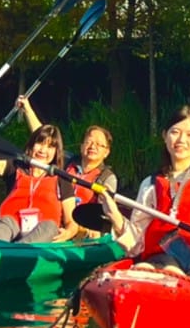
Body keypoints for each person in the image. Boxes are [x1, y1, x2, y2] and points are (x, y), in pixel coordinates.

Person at [98, 104, 190, 277]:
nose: (181, 140)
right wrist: (115, 217)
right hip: (164, 257)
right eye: (175, 132)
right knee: (156, 269)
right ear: (165, 136)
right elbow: (136, 246)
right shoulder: (150, 185)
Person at [0, 104, 79, 242]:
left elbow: (71, 222)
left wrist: (68, 233)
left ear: (56, 152)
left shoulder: (61, 178)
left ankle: (13, 251)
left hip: (44, 234)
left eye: (50, 146)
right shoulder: (15, 168)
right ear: (31, 146)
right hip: (12, 227)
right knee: (6, 221)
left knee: (49, 225)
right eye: (40, 143)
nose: (43, 150)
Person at [16, 95, 119, 238]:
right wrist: (27, 109)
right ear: (82, 145)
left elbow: (105, 211)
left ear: (106, 152)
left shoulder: (107, 178)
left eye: (99, 144)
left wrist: (82, 229)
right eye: (89, 142)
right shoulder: (67, 161)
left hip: (84, 228)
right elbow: (44, 137)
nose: (92, 147)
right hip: (54, 221)